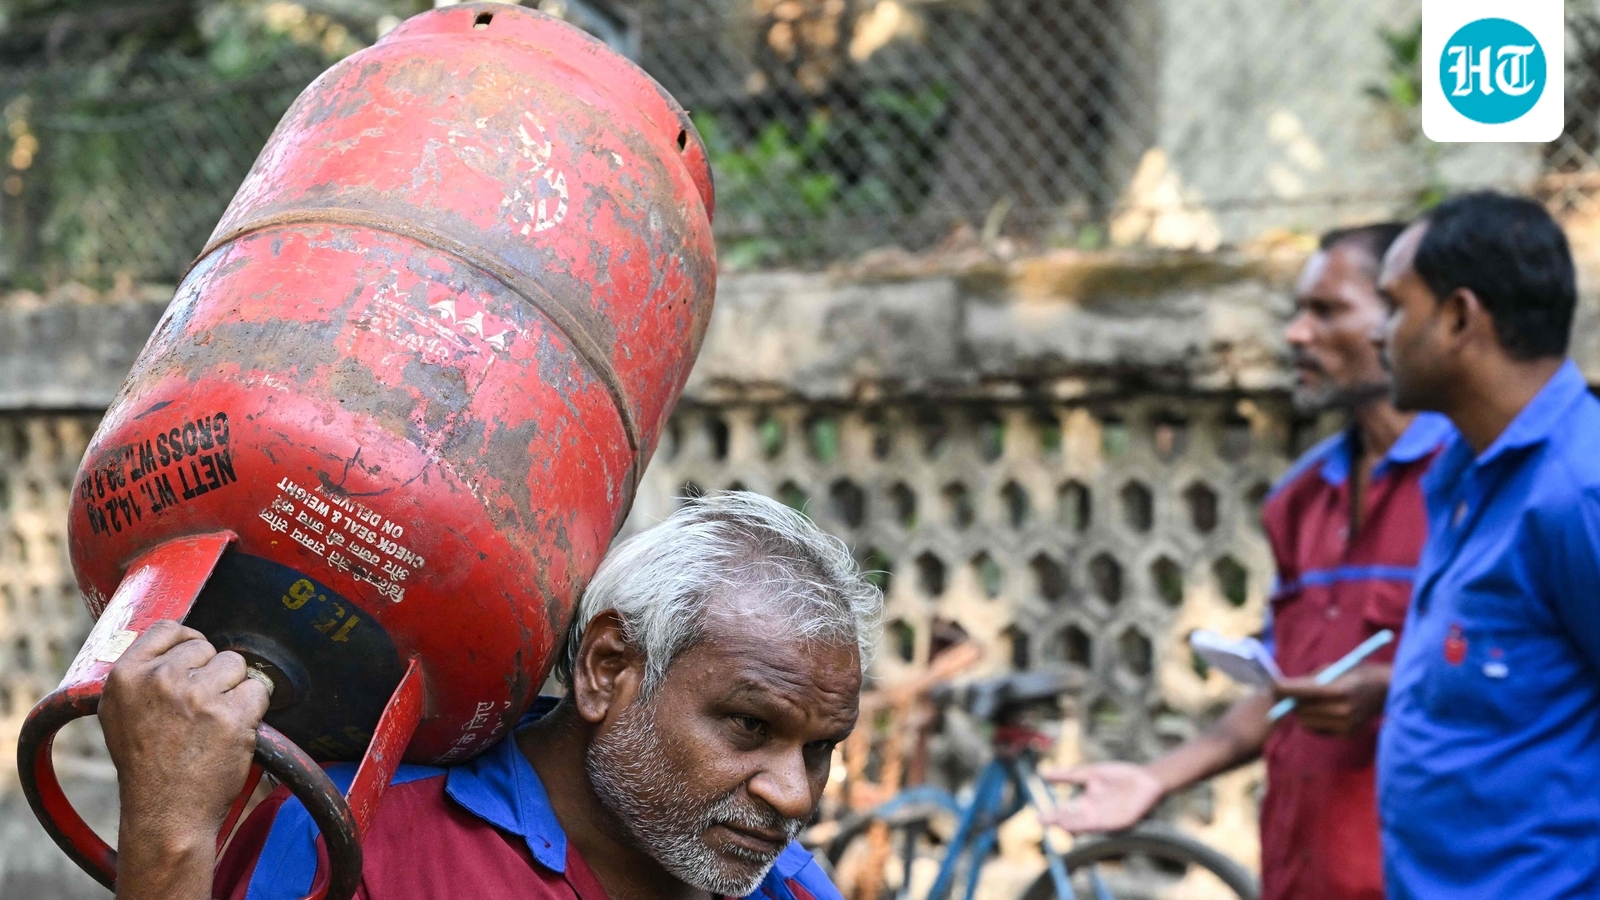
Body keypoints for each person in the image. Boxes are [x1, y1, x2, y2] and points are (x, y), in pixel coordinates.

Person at [99, 491, 882, 900]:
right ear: (608, 669)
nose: (793, 795)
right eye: (749, 725)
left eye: (819, 748)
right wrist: (170, 844)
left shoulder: (788, 889)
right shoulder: (350, 840)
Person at [1041, 224, 1454, 900]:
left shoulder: (1473, 486)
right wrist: (1156, 778)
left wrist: (1389, 688)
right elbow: (1281, 693)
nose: (1296, 334)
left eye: (1327, 311)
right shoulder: (1297, 499)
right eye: (1297, 312)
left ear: (1403, 317)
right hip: (1299, 872)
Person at [1374, 192, 1600, 898]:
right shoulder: (1461, 474)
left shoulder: (1577, 489)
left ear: (1460, 318)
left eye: (1396, 306)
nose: (1382, 334)